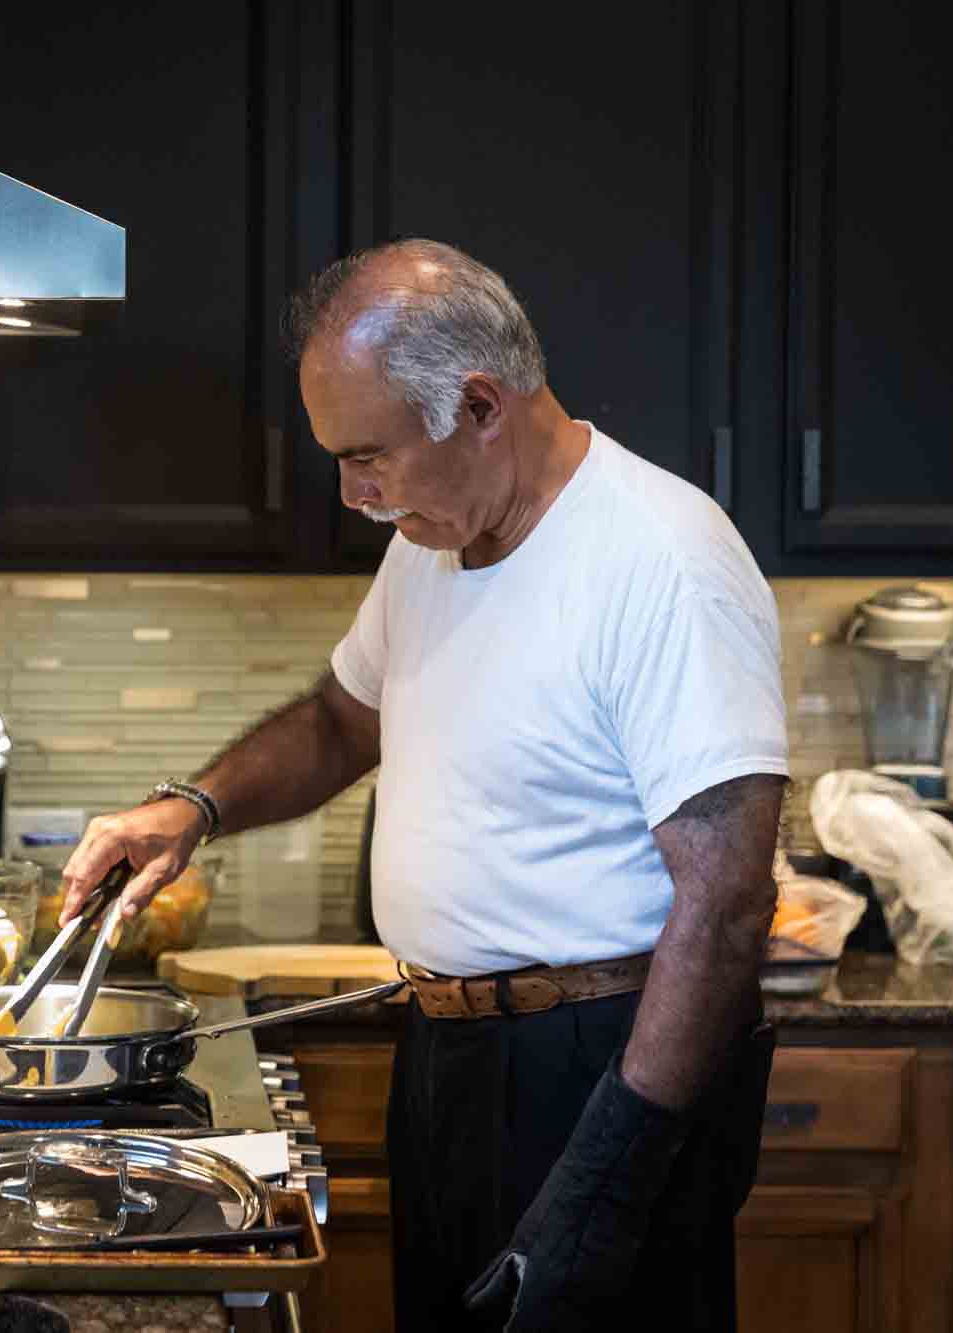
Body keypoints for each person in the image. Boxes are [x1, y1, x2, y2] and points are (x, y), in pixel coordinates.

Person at [56, 239, 786, 1332]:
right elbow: (337, 720)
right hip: (450, 1059)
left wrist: (603, 1179)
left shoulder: (659, 559)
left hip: (597, 1070)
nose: (352, 494)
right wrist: (191, 808)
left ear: (480, 406)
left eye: (367, 456)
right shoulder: (432, 540)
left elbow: (726, 905)